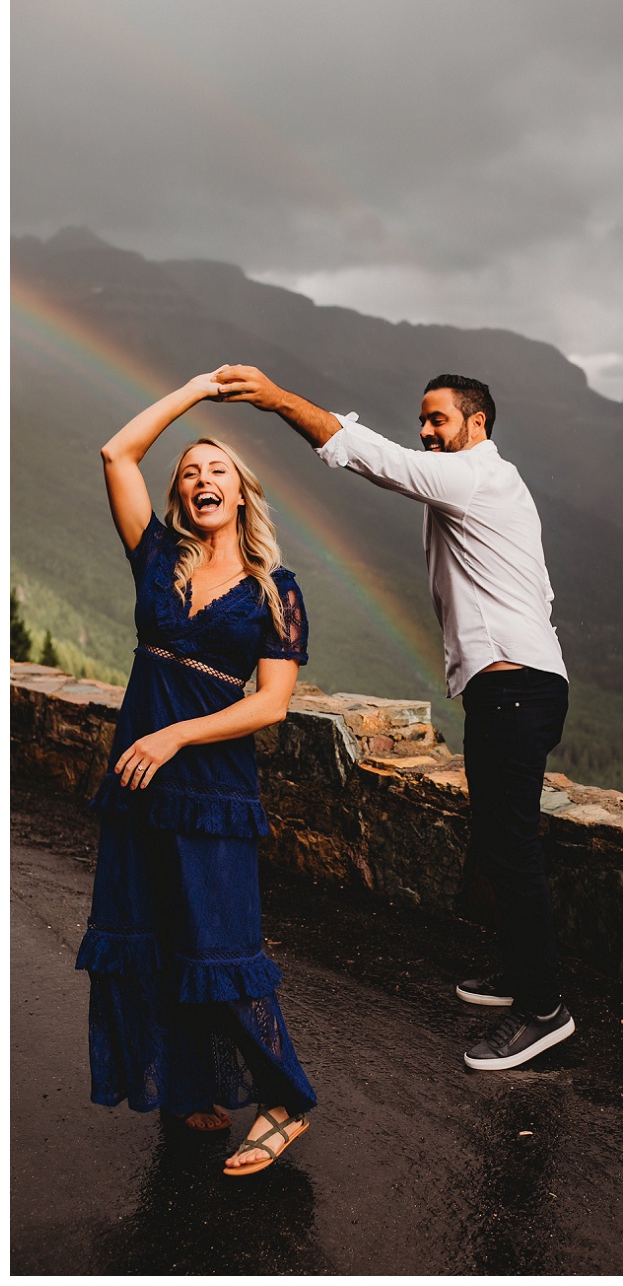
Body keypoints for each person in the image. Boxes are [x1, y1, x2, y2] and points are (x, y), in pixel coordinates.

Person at [212, 364, 575, 1071]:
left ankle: (545, 1011)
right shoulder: (485, 488)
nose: (426, 432)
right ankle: (523, 976)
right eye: (423, 419)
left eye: (438, 419)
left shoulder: (477, 476)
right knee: (501, 844)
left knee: (512, 851)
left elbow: (378, 460)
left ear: (477, 425)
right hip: (513, 687)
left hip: (516, 691)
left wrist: (277, 398)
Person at [83, 372, 316, 1175]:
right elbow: (118, 450)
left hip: (211, 788)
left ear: (243, 495)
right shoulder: (156, 558)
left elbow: (273, 704)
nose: (202, 480)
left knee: (222, 941)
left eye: (218, 470)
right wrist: (193, 392)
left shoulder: (275, 592)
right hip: (140, 779)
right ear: (179, 497)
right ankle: (188, 1086)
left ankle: (284, 1099)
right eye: (190, 472)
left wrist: (179, 733)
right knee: (154, 935)